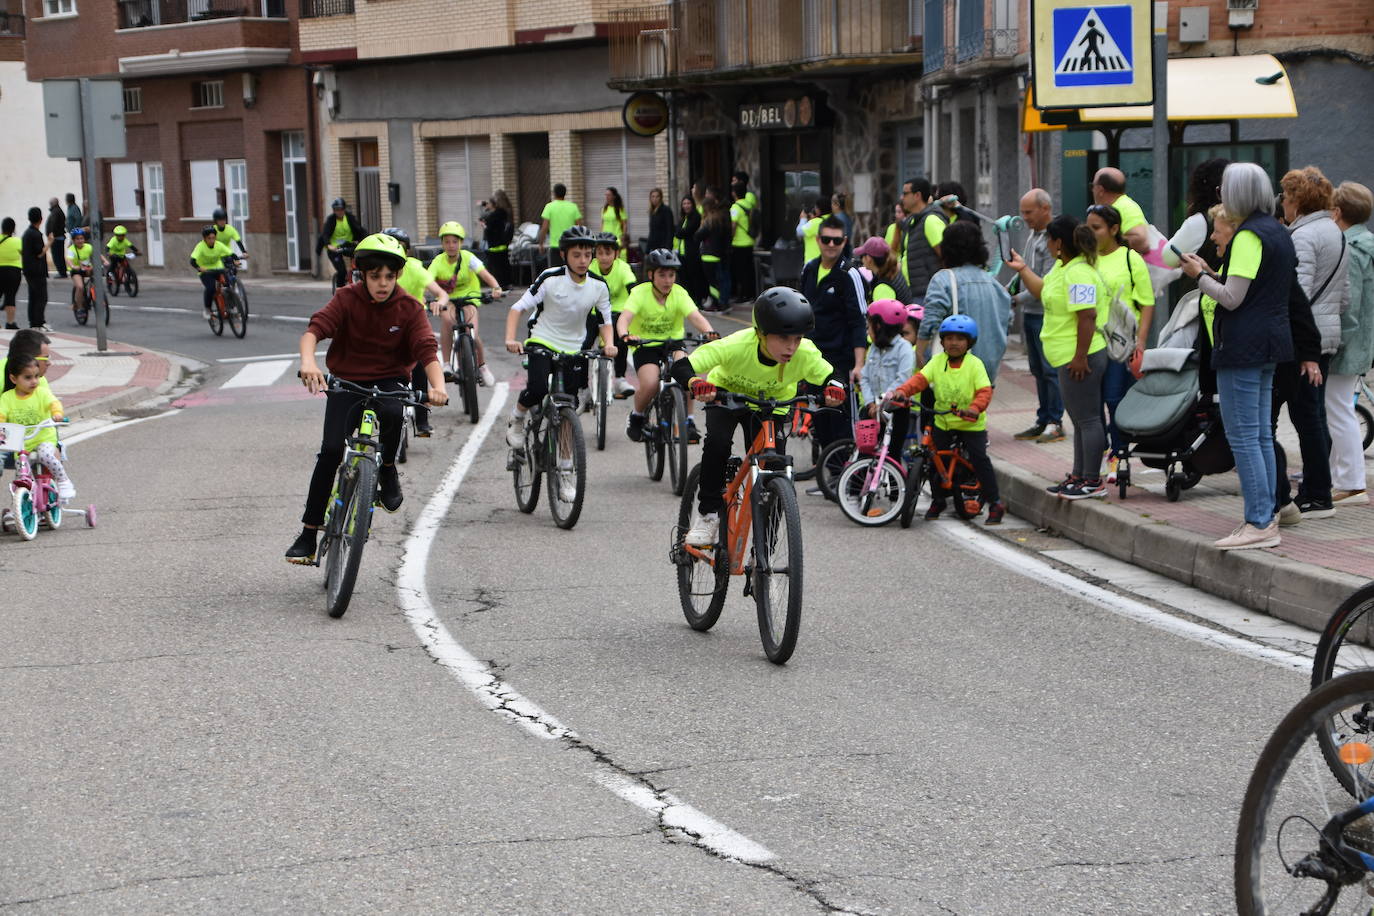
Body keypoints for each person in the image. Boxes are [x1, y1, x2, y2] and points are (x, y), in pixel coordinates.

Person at [285, 233, 448, 564]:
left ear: (398, 275)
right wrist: (308, 362)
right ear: (363, 274)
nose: (383, 283)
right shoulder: (346, 299)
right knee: (330, 452)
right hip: (346, 380)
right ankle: (308, 533)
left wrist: (438, 386)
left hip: (389, 380)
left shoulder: (409, 307)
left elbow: (426, 349)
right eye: (375, 276)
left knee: (391, 412)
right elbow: (314, 330)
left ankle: (387, 468)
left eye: (390, 276)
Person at [671, 288, 845, 546]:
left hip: (770, 406)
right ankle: (707, 514)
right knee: (718, 443)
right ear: (761, 333)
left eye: (797, 338)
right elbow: (682, 366)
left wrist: (835, 388)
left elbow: (833, 375)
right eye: (784, 338)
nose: (791, 347)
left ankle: (766, 544)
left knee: (775, 469)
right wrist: (696, 382)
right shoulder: (738, 345)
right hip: (727, 397)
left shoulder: (804, 353)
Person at [1179, 162, 1295, 549]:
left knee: (1244, 437)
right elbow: (1255, 287)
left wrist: (1198, 277)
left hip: (1243, 346)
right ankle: (1266, 516)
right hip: (1270, 342)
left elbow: (1233, 297)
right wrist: (1211, 272)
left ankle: (1259, 522)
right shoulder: (1277, 231)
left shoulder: (1247, 236)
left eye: (1226, 189)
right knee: (1259, 434)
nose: (1220, 195)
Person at [504, 226, 617, 498]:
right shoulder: (550, 278)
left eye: (587, 255)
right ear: (564, 255)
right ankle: (518, 418)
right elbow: (517, 308)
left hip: (573, 348)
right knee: (539, 388)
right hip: (542, 339)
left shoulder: (598, 286)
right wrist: (511, 339)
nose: (582, 260)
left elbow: (605, 321)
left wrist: (609, 344)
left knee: (568, 409)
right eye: (576, 254)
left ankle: (566, 472)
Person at [1007, 216, 1111, 500]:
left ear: (1059, 242)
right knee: (1079, 419)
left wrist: (1080, 357)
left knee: (1089, 419)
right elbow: (1042, 292)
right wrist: (1023, 269)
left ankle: (1092, 481)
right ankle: (1079, 476)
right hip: (1068, 356)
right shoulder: (1062, 269)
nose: (1047, 245)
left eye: (1049, 240)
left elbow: (1087, 316)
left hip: (1081, 356)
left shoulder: (1079, 273)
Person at [886, 314, 1004, 524]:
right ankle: (938, 499)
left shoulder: (974, 365)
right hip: (944, 421)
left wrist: (975, 408)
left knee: (980, 460)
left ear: (969, 342)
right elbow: (919, 380)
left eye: (959, 339)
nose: (954, 343)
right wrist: (902, 391)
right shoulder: (937, 362)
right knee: (933, 458)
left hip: (970, 423)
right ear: (942, 341)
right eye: (949, 338)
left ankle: (995, 502)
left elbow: (985, 391)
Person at [619, 248, 718, 443]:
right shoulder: (640, 293)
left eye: (671, 275)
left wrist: (709, 332)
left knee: (688, 375)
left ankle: (688, 421)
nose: (667, 280)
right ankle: (637, 416)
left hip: (673, 344)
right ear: (650, 275)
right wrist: (625, 334)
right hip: (645, 345)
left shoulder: (679, 293)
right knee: (650, 384)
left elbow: (695, 316)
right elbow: (625, 318)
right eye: (662, 275)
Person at [1086, 203, 1155, 479]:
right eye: (1088, 227)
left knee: (1115, 399)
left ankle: (1118, 453)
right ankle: (1099, 450)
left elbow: (1147, 303)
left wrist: (1140, 342)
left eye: (1097, 228)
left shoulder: (1130, 258)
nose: (1091, 233)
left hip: (1120, 342)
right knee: (1092, 403)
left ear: (1114, 229)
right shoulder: (1086, 259)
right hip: (1090, 341)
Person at [800, 215, 867, 452]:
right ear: (818, 240)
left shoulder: (850, 274)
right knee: (819, 419)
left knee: (841, 421)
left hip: (840, 362)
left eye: (836, 241)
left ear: (844, 241)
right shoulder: (809, 270)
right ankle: (829, 481)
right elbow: (800, 314)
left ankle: (844, 479)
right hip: (812, 360)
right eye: (826, 239)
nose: (831, 245)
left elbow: (859, 321)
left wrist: (858, 365)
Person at [1326, 180, 1374, 507]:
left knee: (1337, 410)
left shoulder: (1351, 249)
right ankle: (1339, 477)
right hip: (1361, 342)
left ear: (1338, 212)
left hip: (1347, 344)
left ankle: (1353, 484)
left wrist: (1334, 343)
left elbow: (1349, 305)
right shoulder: (1366, 244)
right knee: (1339, 408)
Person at [917, 221, 1012, 383]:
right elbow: (1007, 320)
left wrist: (919, 352)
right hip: (987, 369)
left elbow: (930, 322)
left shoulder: (943, 280)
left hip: (954, 367)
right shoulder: (994, 284)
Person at [382, 226, 450, 437]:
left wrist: (439, 301)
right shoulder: (379, 271)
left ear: (407, 251)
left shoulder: (414, 267)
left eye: (401, 247)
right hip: (385, 328)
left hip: (412, 326)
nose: (396, 252)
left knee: (421, 363)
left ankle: (422, 419)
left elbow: (440, 293)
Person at [1009, 188, 1064, 442]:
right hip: (1030, 314)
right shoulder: (1033, 236)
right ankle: (1043, 419)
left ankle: (1056, 421)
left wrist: (1015, 299)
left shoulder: (1055, 239)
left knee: (1050, 370)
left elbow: (1044, 284)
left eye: (1029, 212)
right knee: (1037, 369)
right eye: (1022, 212)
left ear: (1045, 209)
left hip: (1045, 313)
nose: (1025, 217)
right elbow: (1026, 273)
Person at [428, 221, 501, 389]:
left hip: (469, 298)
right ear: (442, 244)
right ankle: (446, 364)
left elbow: (485, 274)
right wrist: (434, 299)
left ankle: (482, 366)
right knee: (447, 322)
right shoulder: (438, 261)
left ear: (461, 243)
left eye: (455, 241)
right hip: (448, 300)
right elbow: (427, 280)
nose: (451, 246)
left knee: (472, 334)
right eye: (447, 242)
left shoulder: (468, 258)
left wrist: (496, 287)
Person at [0, 353, 75, 499]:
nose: (34, 381)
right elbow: (2, 413)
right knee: (22, 475)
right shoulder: (7, 397)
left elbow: (53, 403)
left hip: (43, 437)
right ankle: (23, 505)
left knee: (46, 455)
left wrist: (57, 413)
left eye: (37, 376)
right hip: (22, 443)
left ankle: (63, 480)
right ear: (14, 379)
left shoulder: (42, 393)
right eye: (28, 377)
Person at [859, 298, 916, 461]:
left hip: (896, 410)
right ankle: (861, 485)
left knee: (891, 455)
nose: (868, 331)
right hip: (872, 410)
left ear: (878, 326)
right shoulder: (875, 348)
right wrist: (871, 402)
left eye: (869, 326)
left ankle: (894, 486)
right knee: (865, 453)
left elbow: (903, 379)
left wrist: (880, 403)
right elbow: (865, 377)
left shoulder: (904, 348)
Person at [589, 230, 638, 399]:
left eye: (608, 253)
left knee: (621, 336)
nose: (603, 257)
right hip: (594, 310)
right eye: (600, 253)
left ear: (616, 253)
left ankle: (620, 378)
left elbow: (634, 289)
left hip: (617, 310)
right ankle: (581, 387)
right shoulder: (590, 266)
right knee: (583, 343)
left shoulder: (623, 268)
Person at [900, 177, 948, 298]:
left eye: (905, 193)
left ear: (917, 195)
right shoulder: (913, 221)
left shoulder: (931, 220)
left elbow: (947, 256)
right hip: (915, 292)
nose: (902, 198)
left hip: (929, 294)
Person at [1090, 168, 1149, 254]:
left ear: (1100, 190)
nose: (1092, 190)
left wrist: (1108, 241)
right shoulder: (1118, 205)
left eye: (1092, 186)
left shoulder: (1126, 207)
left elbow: (1141, 241)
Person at [317, 197, 367, 289]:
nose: (339, 212)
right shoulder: (331, 220)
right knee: (342, 271)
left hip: (348, 246)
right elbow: (325, 234)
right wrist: (329, 245)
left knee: (359, 266)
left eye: (341, 209)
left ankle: (357, 281)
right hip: (335, 249)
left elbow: (359, 229)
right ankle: (340, 289)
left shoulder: (350, 218)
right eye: (336, 210)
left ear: (344, 209)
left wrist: (366, 239)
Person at [694, 191, 731, 311]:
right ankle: (722, 302)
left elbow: (698, 236)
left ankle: (715, 304)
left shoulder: (708, 221)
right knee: (719, 280)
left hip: (708, 255)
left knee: (712, 282)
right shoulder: (720, 219)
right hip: (718, 254)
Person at [190, 225, 235, 320]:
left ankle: (231, 307)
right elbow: (192, 260)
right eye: (209, 238)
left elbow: (230, 253)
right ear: (204, 238)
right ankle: (207, 309)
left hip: (218, 269)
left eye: (213, 238)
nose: (212, 240)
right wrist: (199, 268)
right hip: (206, 272)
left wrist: (236, 259)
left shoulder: (219, 245)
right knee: (210, 289)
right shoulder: (200, 246)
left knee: (228, 285)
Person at [853, 237, 913, 305]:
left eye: (861, 256)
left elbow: (883, 314)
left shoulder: (882, 288)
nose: (861, 260)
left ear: (868, 258)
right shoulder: (895, 272)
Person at [537, 183, 584, 269]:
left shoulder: (549, 207)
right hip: (570, 245)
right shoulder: (573, 207)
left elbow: (544, 228)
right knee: (571, 272)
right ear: (565, 193)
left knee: (556, 274)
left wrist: (541, 243)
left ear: (554, 193)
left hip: (556, 246)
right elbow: (580, 227)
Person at [674, 193, 705, 305]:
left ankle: (698, 300)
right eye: (684, 203)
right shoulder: (683, 218)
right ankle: (689, 298)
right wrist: (680, 232)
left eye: (688, 203)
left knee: (695, 276)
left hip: (692, 251)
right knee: (684, 277)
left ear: (692, 204)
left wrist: (680, 232)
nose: (686, 206)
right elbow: (678, 232)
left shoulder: (696, 216)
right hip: (682, 252)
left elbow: (687, 231)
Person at [479, 190, 515, 287]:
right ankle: (507, 283)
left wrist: (484, 226)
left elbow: (489, 228)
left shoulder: (494, 215)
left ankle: (499, 284)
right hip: (505, 241)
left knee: (496, 265)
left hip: (495, 243)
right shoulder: (506, 211)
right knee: (504, 263)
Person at [21, 207, 48, 330]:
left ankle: (33, 322)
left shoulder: (27, 233)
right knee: (41, 297)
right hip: (37, 270)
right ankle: (39, 322)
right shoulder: (36, 234)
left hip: (28, 269)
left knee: (33, 296)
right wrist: (50, 243)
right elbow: (40, 253)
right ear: (41, 219)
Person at [729, 181, 756, 303]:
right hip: (750, 242)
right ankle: (751, 295)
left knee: (740, 272)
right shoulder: (749, 205)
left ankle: (742, 296)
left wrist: (730, 238)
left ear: (734, 193)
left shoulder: (735, 207)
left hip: (738, 243)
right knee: (749, 270)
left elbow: (733, 225)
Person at [65, 228, 96, 317]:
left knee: (96, 281)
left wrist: (104, 261)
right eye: (77, 239)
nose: (80, 240)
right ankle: (79, 307)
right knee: (80, 287)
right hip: (76, 271)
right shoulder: (71, 250)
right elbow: (69, 260)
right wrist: (73, 266)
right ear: (73, 240)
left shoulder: (88, 247)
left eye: (81, 238)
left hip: (87, 269)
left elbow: (98, 255)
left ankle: (97, 298)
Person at [0, 217, 22, 329]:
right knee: (10, 297)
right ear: (13, 229)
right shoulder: (17, 241)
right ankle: (10, 322)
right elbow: (24, 253)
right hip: (14, 271)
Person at [600, 187, 629, 260]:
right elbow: (602, 223)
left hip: (617, 238)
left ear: (614, 196)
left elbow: (624, 224)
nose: (607, 197)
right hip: (605, 238)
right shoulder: (604, 209)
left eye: (609, 195)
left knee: (617, 258)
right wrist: (600, 235)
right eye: (606, 195)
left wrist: (623, 236)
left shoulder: (620, 209)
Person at [647, 187, 674, 254]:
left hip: (663, 247)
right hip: (654, 247)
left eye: (657, 196)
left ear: (661, 198)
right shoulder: (652, 212)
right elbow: (652, 232)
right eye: (653, 196)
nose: (655, 199)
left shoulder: (666, 210)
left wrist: (668, 247)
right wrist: (647, 248)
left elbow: (670, 230)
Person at [45, 198, 66, 279]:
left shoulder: (55, 212)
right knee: (59, 255)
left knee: (57, 256)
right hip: (58, 237)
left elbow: (53, 224)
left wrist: (51, 234)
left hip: (56, 237)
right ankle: (62, 272)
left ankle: (62, 272)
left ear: (53, 203)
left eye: (50, 202)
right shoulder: (57, 211)